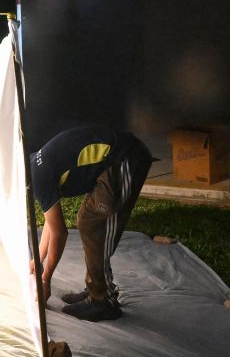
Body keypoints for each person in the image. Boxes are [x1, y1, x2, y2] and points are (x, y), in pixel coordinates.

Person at [28, 126, 155, 321]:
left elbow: (59, 233)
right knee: (88, 222)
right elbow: (51, 223)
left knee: (95, 226)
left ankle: (103, 302)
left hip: (125, 158)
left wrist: (45, 279)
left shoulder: (38, 177)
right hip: (114, 160)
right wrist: (38, 258)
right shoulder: (33, 164)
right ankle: (96, 289)